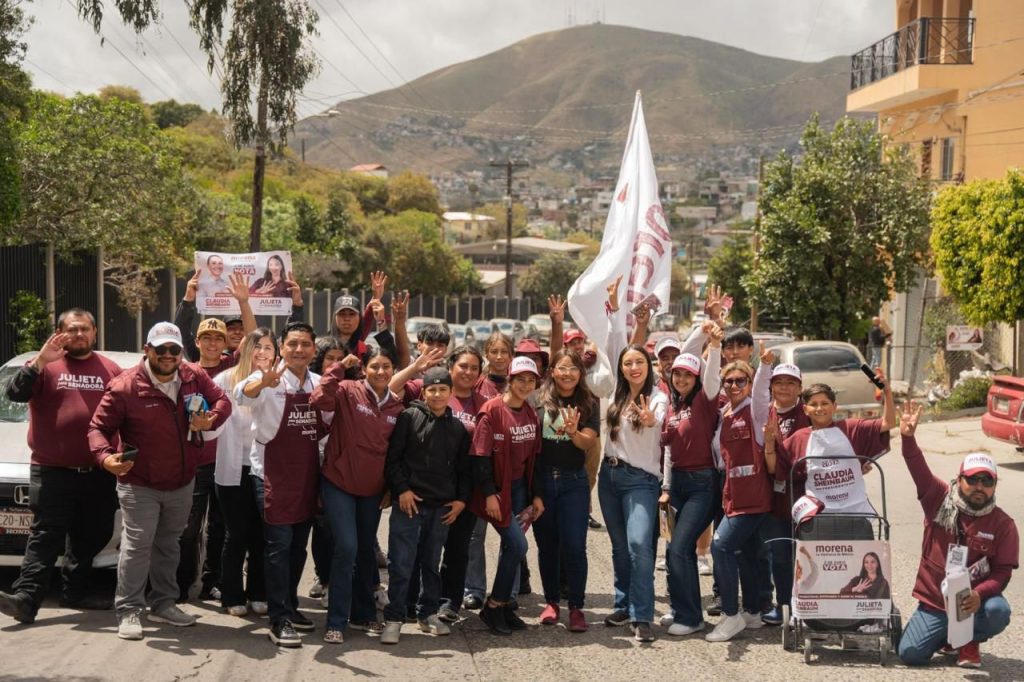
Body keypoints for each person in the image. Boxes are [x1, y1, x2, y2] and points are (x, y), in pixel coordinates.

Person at [87, 322, 230, 641]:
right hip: (140, 482)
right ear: (147, 349)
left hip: (182, 480)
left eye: (174, 350)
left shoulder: (194, 376)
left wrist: (212, 418)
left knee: (169, 544)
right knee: (138, 546)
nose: (168, 355)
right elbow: (97, 428)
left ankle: (164, 603)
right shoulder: (124, 386)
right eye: (161, 349)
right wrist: (105, 457)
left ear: (181, 352)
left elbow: (223, 401)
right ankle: (128, 609)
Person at [0, 310, 122, 625]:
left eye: (84, 329)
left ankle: (74, 592)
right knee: (45, 535)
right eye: (72, 329)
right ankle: (26, 600)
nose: (79, 335)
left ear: (95, 332)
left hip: (98, 471)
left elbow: (128, 412)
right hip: (51, 470)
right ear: (60, 332)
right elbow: (14, 393)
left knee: (91, 535)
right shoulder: (45, 365)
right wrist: (40, 361)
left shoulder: (110, 369)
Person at [896, 401, 1018, 669]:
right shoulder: (938, 498)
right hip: (936, 602)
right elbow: (917, 467)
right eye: (972, 479)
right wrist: (907, 438)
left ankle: (968, 639)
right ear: (959, 478)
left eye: (987, 481)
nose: (979, 487)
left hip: (974, 603)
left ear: (995, 485)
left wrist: (978, 594)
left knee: (999, 612)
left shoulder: (1004, 524)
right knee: (910, 655)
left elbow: (1002, 572)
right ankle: (948, 637)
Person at [237, 321, 327, 647]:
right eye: (292, 344)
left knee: (298, 548)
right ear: (282, 348)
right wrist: (260, 385)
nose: (299, 350)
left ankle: (290, 604)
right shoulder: (268, 378)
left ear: (314, 350)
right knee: (278, 546)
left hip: (306, 477)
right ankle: (279, 619)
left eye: (305, 344)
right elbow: (241, 395)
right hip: (271, 475)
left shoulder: (319, 384)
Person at [312, 327, 405, 644]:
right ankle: (336, 621)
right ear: (364, 368)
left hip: (372, 492)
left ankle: (363, 614)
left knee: (365, 550)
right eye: (375, 366)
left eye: (386, 367)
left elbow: (396, 455)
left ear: (393, 371)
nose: (380, 371)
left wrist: (391, 487)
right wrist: (339, 367)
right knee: (347, 547)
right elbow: (318, 398)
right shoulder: (348, 390)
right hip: (338, 484)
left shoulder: (397, 408)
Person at [379, 367, 472, 644]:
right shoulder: (409, 417)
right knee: (401, 564)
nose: (437, 394)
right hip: (409, 505)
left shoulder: (458, 429)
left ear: (451, 393)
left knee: (431, 564)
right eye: (432, 389)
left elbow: (463, 471)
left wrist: (460, 501)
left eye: (443, 389)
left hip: (441, 507)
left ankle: (427, 613)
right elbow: (393, 460)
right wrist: (402, 491)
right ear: (424, 391)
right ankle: (394, 617)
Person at [597, 276, 667, 643]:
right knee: (620, 547)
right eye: (628, 363)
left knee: (641, 545)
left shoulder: (658, 397)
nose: (632, 367)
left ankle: (643, 616)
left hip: (642, 481)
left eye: (639, 362)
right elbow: (613, 347)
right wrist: (614, 309)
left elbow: (656, 420)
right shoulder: (614, 392)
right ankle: (624, 604)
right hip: (608, 479)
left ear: (648, 366)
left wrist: (651, 419)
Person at [470, 356, 544, 635]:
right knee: (518, 546)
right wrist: (489, 494)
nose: (525, 385)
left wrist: (535, 496)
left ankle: (502, 606)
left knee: (512, 547)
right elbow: (480, 458)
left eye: (531, 380)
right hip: (495, 491)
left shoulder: (530, 413)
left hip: (519, 490)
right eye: (520, 379)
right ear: (509, 380)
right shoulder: (492, 410)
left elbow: (533, 460)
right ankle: (493, 605)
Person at [704, 345, 774, 643]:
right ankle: (753, 612)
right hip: (732, 494)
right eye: (728, 381)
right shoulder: (724, 413)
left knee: (720, 547)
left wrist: (765, 367)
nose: (734, 386)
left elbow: (760, 396)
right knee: (744, 553)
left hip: (753, 498)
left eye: (740, 381)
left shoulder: (756, 413)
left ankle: (731, 615)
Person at [659, 321, 723, 637]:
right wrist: (667, 487)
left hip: (702, 484)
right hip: (679, 485)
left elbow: (706, 368)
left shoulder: (705, 399)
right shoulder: (676, 404)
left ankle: (692, 616)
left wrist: (711, 340)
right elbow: (670, 451)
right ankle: (682, 609)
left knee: (681, 548)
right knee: (674, 550)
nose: (682, 377)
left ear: (697, 378)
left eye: (688, 374)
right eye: (677, 374)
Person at [533, 348, 600, 633]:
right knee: (547, 546)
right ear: (552, 371)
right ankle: (551, 602)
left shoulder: (589, 401)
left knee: (575, 546)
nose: (568, 374)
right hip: (543, 480)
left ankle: (576, 606)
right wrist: (533, 491)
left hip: (575, 482)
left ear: (580, 373)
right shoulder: (538, 399)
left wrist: (573, 432)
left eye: (573, 369)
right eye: (562, 368)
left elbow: (588, 443)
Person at [211, 328, 276, 618]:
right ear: (245, 350)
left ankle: (259, 592)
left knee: (262, 534)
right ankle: (232, 594)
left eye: (268, 347)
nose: (262, 352)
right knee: (235, 533)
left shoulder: (279, 381)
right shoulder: (224, 381)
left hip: (265, 468)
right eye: (256, 346)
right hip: (234, 467)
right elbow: (212, 425)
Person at [463, 330, 516, 609]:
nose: (498, 357)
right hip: (481, 469)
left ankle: (510, 590)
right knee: (475, 534)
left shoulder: (519, 383)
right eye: (493, 351)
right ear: (487, 353)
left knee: (512, 534)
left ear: (511, 355)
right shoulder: (477, 386)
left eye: (504, 352)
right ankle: (474, 588)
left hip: (509, 471)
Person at [759, 362, 810, 626]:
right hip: (775, 496)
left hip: (808, 496)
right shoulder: (764, 413)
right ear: (771, 386)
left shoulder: (810, 412)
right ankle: (784, 605)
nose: (784, 388)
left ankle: (810, 606)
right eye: (779, 382)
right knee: (779, 553)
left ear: (800, 388)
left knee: (807, 552)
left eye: (790, 383)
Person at [307, 339, 348, 604]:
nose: (335, 363)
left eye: (340, 359)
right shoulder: (312, 382)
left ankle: (335, 581)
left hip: (338, 465)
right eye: (329, 358)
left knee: (335, 526)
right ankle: (322, 578)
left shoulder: (350, 387)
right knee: (318, 527)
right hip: (308, 462)